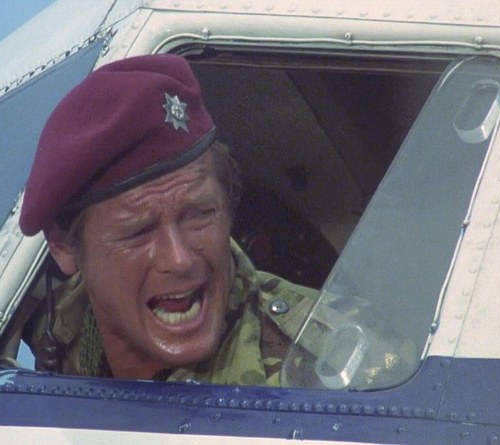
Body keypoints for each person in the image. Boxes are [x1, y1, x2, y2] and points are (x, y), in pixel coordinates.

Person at [18, 54, 318, 386]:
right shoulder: (59, 327)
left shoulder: (324, 367)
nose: (179, 259)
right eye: (138, 232)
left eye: (200, 215)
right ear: (63, 246)